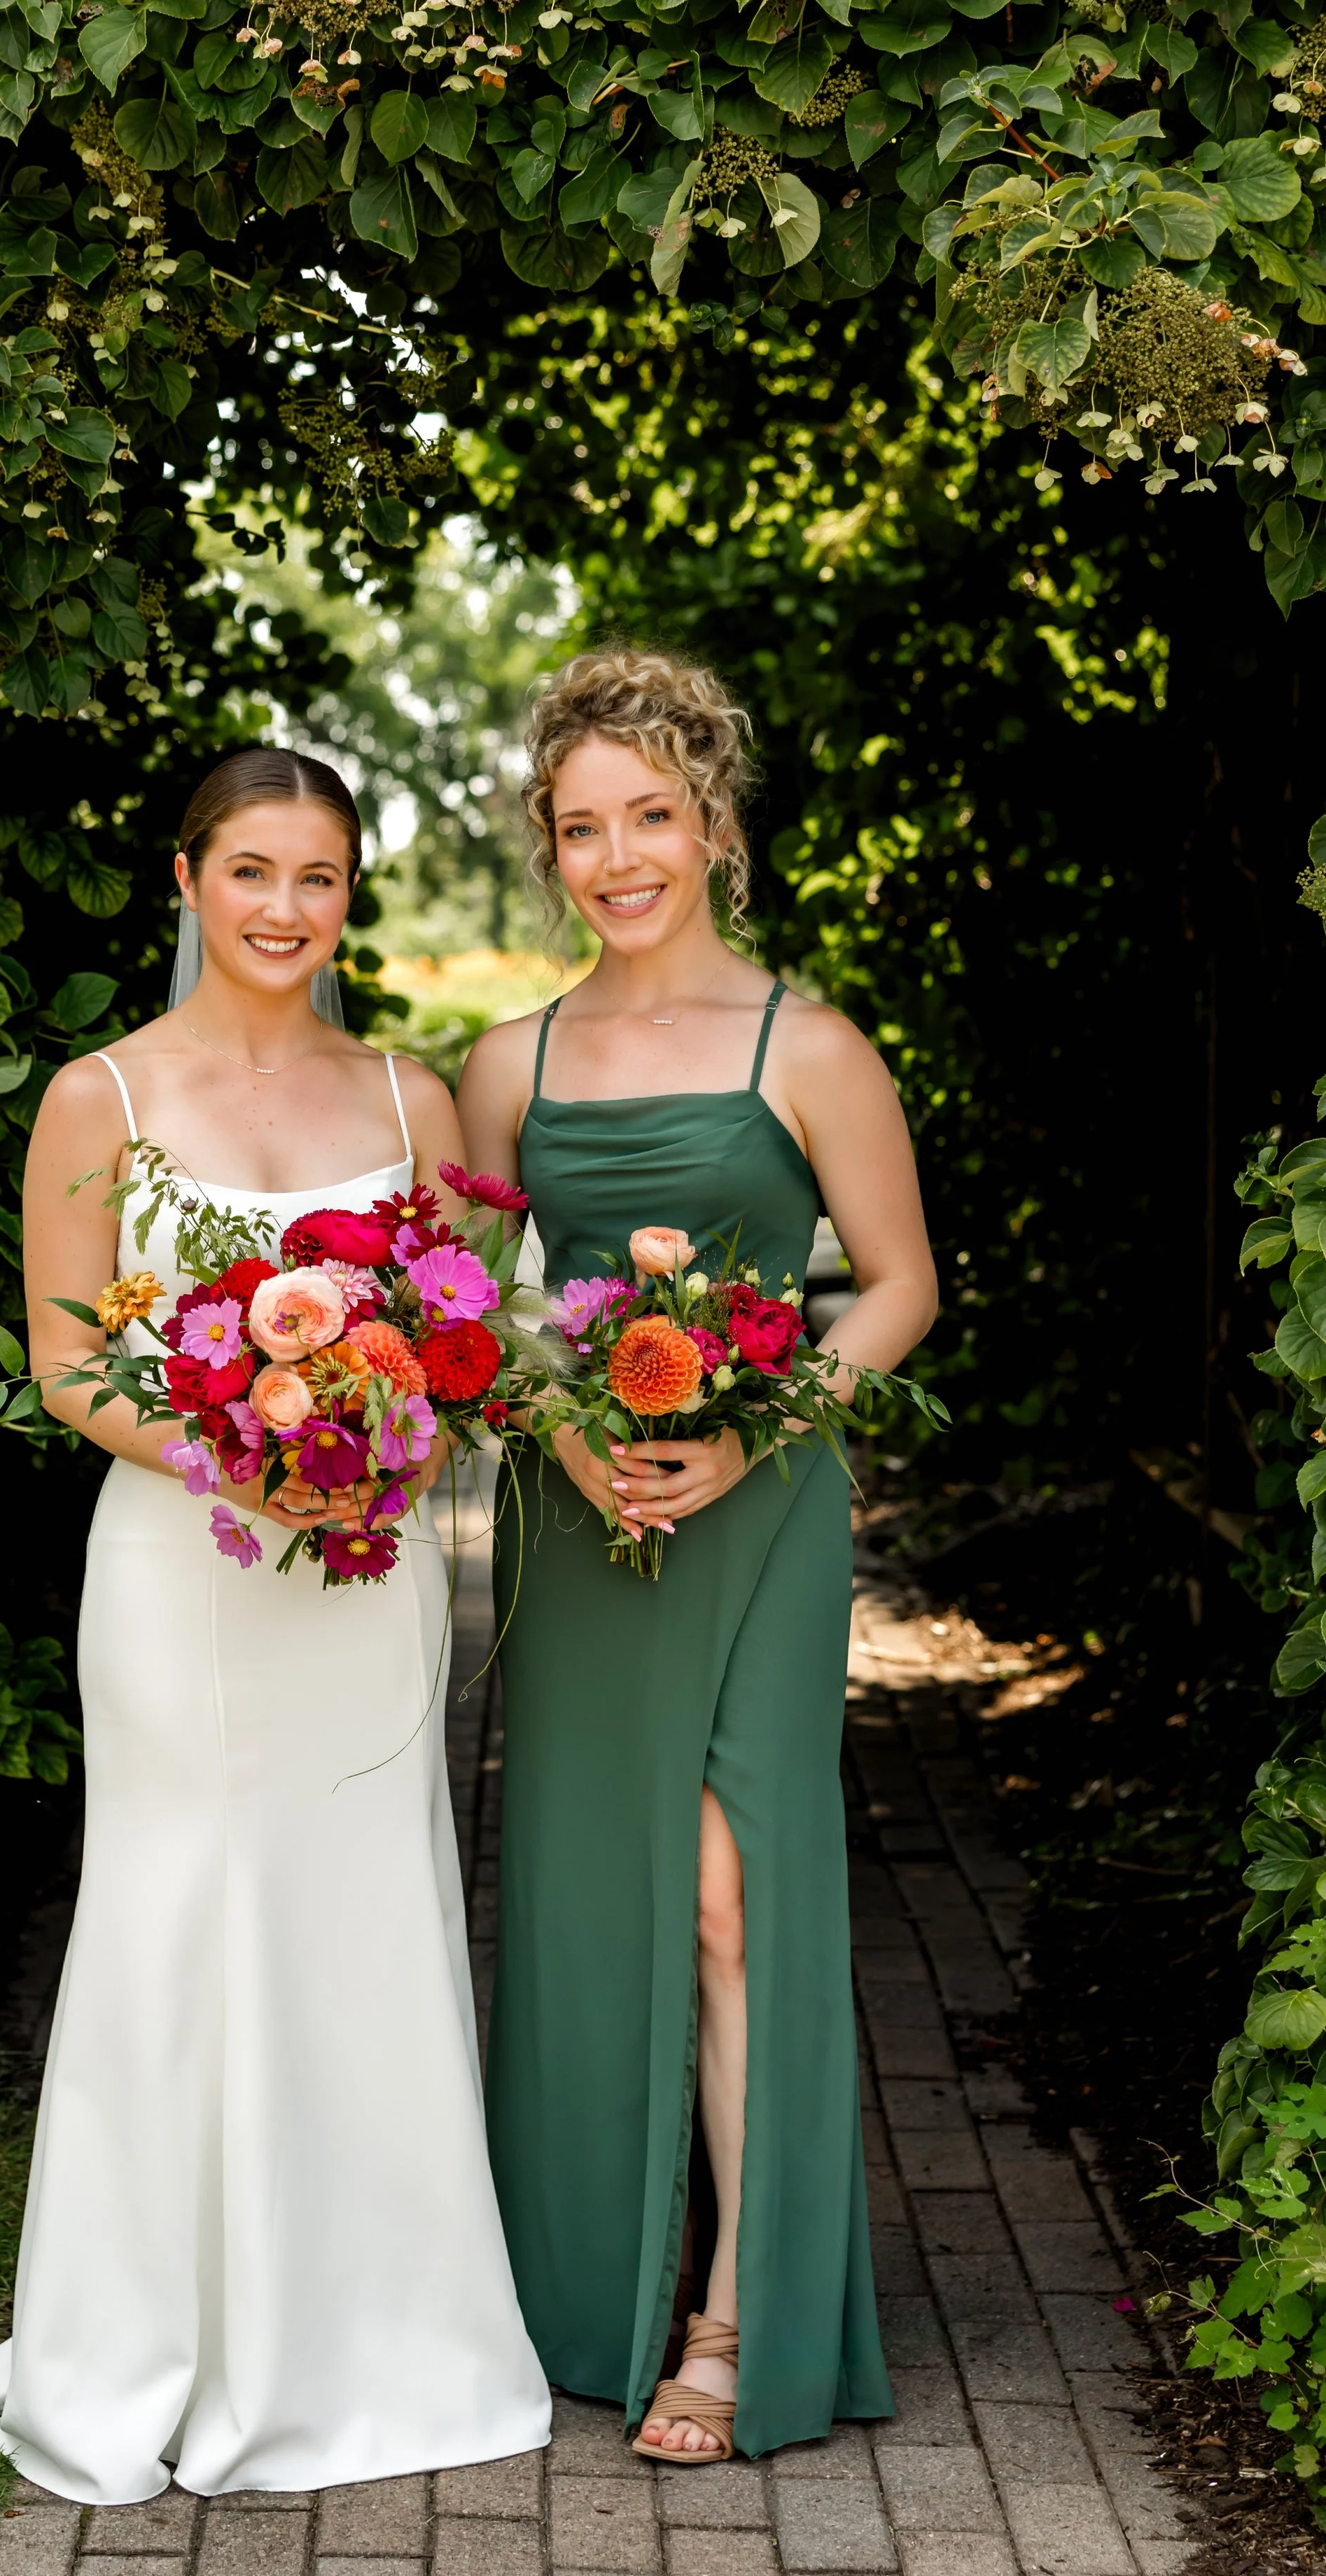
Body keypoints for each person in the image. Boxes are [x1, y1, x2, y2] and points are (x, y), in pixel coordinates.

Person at [0, 747, 550, 2502]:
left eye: (323, 878)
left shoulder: (409, 1097)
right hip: (182, 1569)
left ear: (352, 898)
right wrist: (236, 1454)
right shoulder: (99, 1098)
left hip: (360, 1577)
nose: (288, 910)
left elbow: (455, 1329)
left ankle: (377, 2330)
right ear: (188, 878)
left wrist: (374, 1438)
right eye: (254, 872)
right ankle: (142, 2332)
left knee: (362, 1902)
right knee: (177, 1908)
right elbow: (65, 1365)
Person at [456, 648, 938, 2465]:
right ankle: (585, 2284)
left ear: (714, 821)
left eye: (648, 813)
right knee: (591, 1901)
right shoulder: (510, 1060)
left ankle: (737, 2310)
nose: (616, 854)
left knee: (732, 1895)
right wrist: (558, 1424)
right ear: (550, 849)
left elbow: (896, 1283)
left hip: (761, 1508)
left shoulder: (804, 1046)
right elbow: (463, 1309)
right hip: (585, 1529)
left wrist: (751, 1427)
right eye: (580, 825)